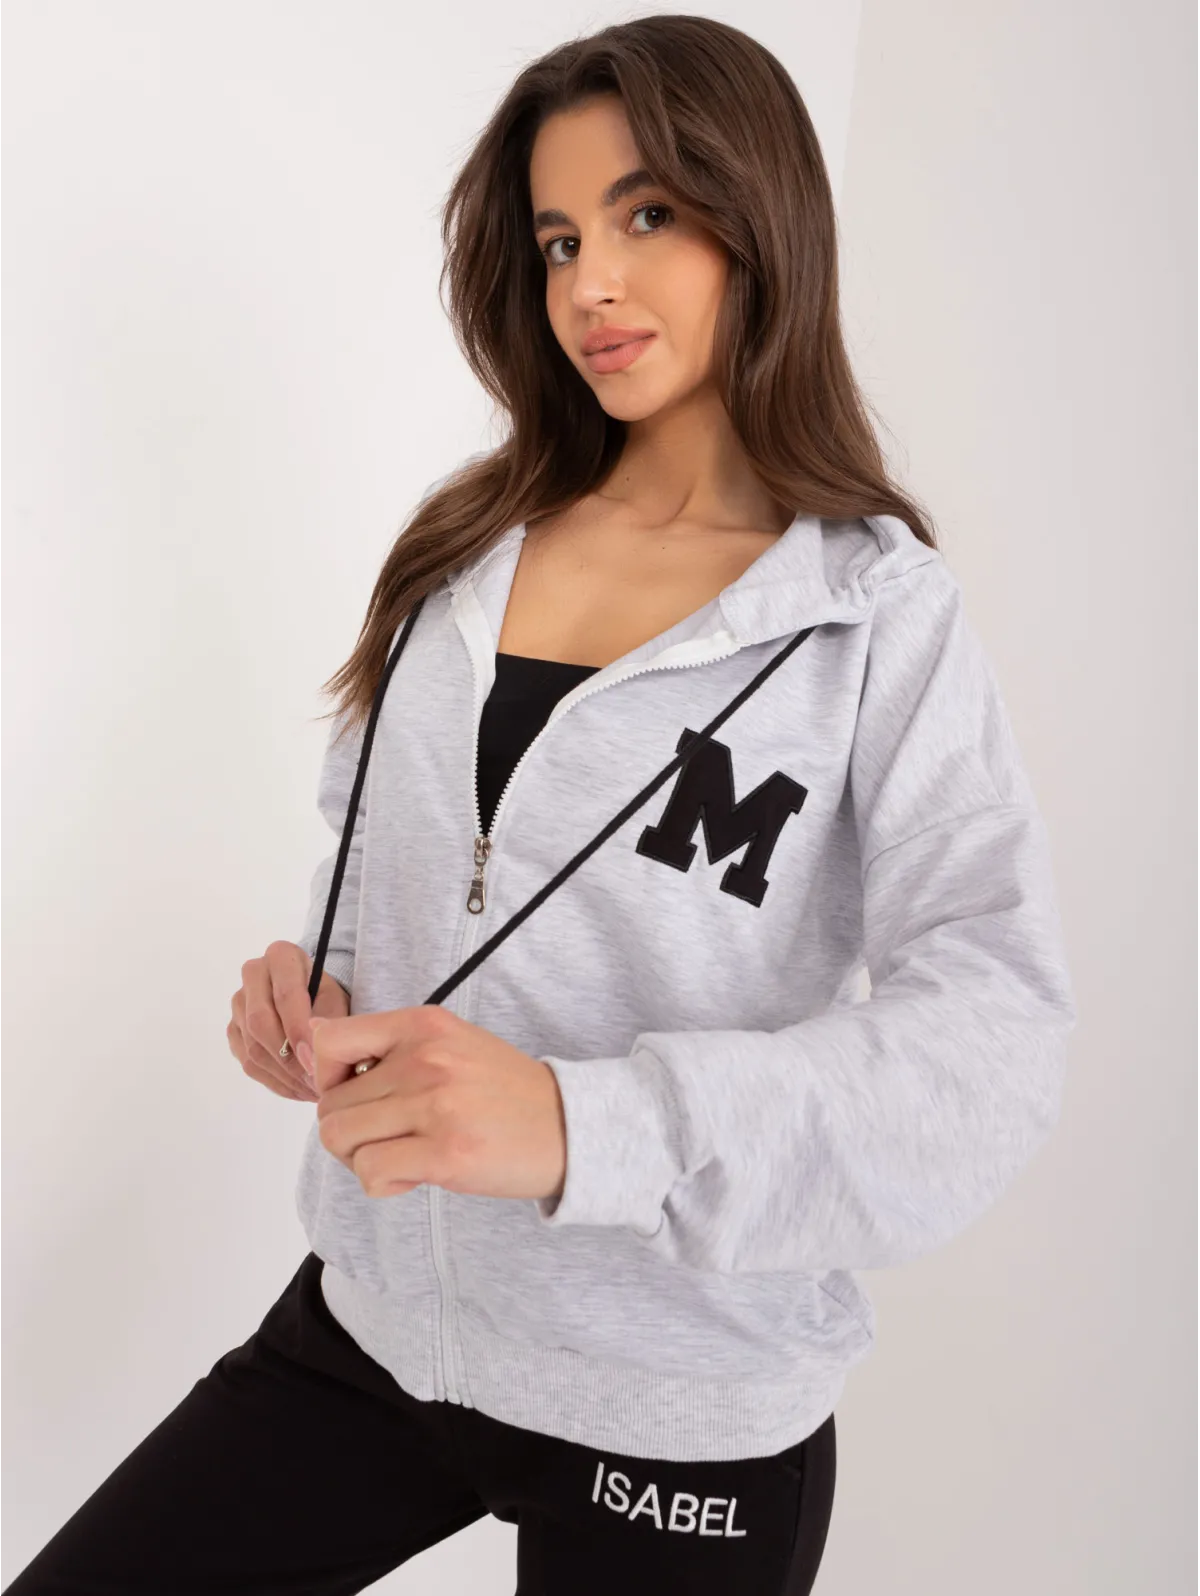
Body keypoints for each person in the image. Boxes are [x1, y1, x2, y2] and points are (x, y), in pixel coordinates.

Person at [7, 14, 1077, 1595]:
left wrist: (590, 1125)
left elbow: (991, 1046)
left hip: (680, 1403)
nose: (589, 284)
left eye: (648, 216)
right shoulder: (467, 547)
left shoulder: (874, 620)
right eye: (561, 237)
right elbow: (395, 865)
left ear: (764, 221)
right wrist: (315, 994)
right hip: (377, 1328)